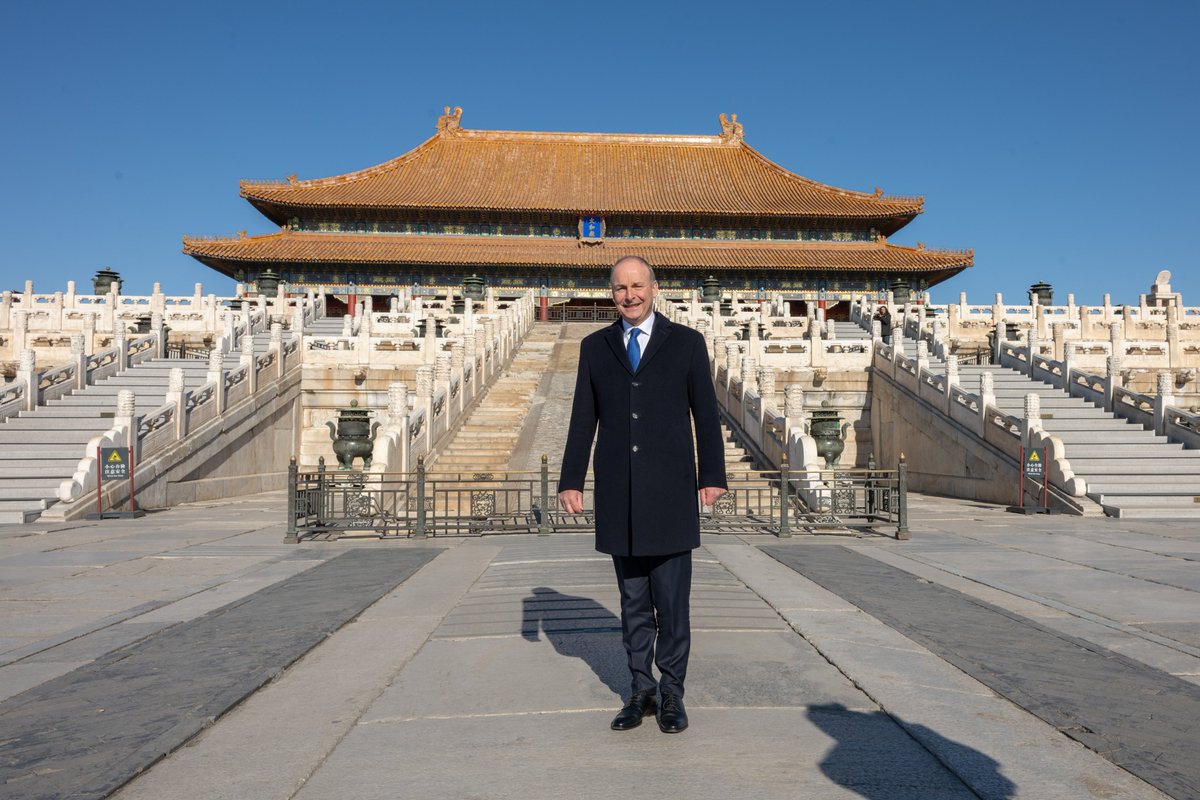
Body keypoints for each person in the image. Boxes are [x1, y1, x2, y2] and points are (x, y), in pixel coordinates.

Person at [558, 255, 727, 734]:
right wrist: (571, 479)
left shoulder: (687, 344)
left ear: (655, 288)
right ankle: (641, 690)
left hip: (671, 491)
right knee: (632, 603)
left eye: (636, 286)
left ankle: (672, 693)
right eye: (619, 288)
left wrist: (711, 475)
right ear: (610, 293)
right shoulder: (595, 347)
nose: (628, 296)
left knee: (672, 604)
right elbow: (581, 418)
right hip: (619, 492)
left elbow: (706, 417)